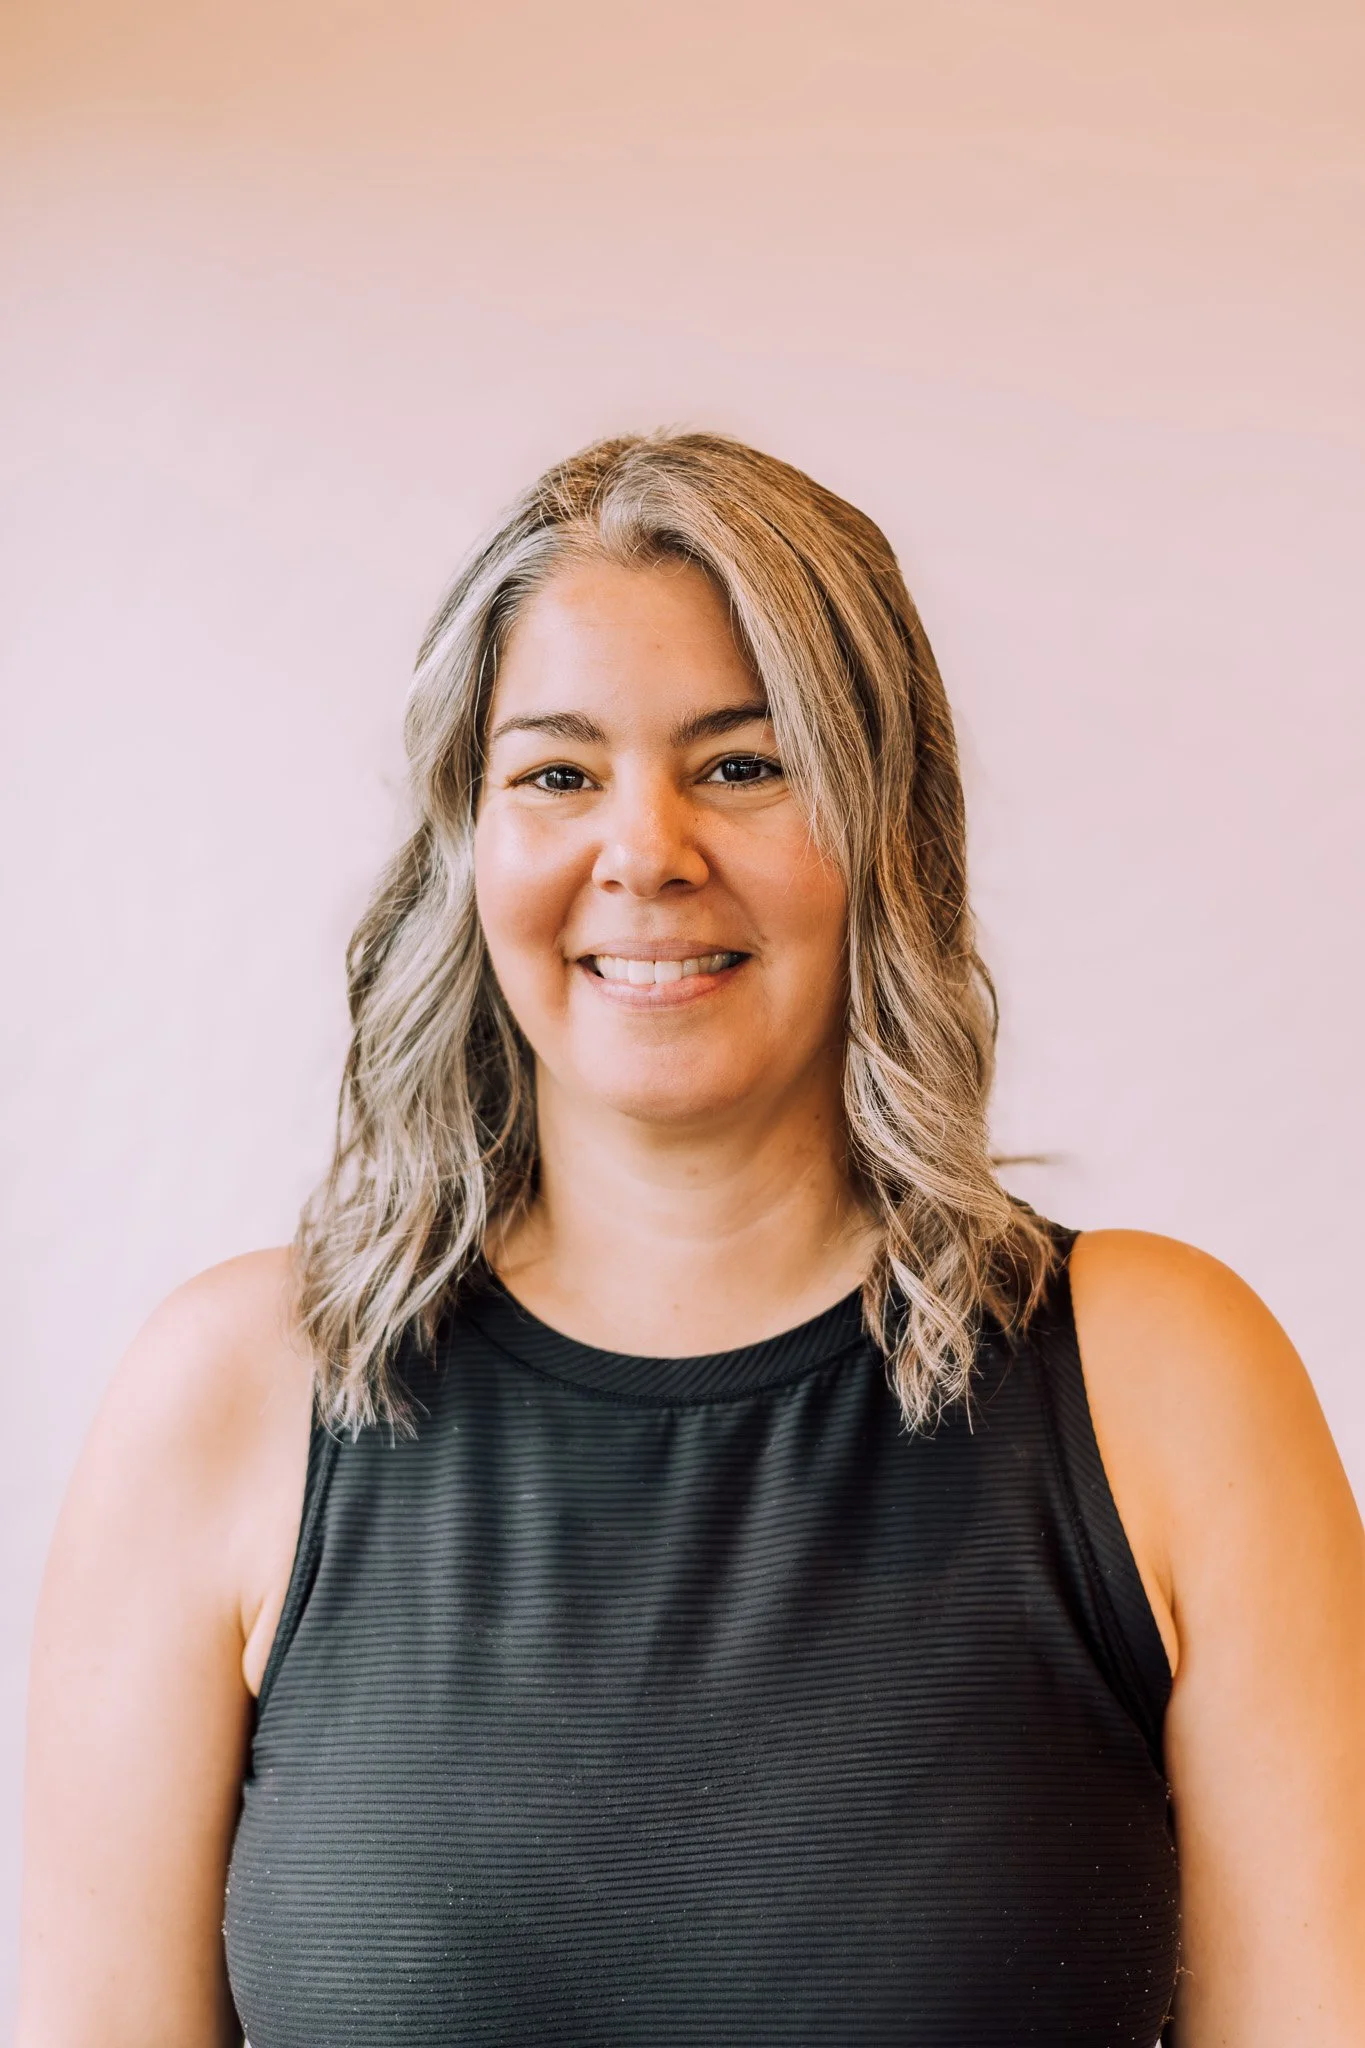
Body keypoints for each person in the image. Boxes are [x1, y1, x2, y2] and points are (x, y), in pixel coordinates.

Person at [18, 432, 1364, 2047]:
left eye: (742, 763)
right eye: (558, 774)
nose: (645, 849)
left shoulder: (1165, 1382)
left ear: (886, 825)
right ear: (471, 841)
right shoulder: (229, 1402)